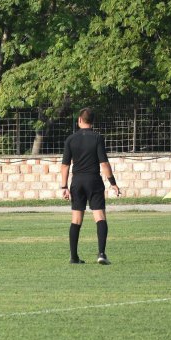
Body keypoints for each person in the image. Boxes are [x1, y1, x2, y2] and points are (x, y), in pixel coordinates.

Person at [60, 107, 121, 265]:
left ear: (79, 120)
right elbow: (104, 163)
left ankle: (74, 257)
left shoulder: (70, 139)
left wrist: (64, 187)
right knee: (99, 216)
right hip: (93, 180)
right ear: (92, 122)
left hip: (77, 181)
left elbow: (65, 166)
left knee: (76, 219)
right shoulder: (97, 138)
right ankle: (101, 254)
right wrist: (113, 183)